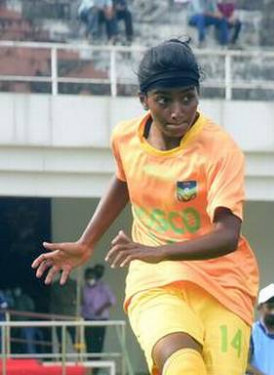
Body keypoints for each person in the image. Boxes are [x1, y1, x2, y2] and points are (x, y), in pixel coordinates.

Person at [31, 38, 259, 375]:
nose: (177, 111)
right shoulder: (125, 138)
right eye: (164, 100)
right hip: (155, 281)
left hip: (225, 283)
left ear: (198, 94)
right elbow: (125, 180)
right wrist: (86, 243)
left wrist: (161, 251)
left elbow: (227, 235)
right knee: (184, 365)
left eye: (188, 98)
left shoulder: (220, 149)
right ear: (144, 100)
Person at [81, 266, 116, 369]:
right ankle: (91, 366)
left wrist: (101, 308)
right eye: (88, 277)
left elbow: (112, 300)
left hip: (101, 319)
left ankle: (96, 367)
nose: (90, 280)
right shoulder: (83, 288)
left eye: (91, 277)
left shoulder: (103, 287)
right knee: (89, 342)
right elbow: (82, 303)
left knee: (98, 343)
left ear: (96, 278)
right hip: (88, 318)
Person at [49, 276, 78, 350]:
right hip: (59, 315)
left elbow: (80, 298)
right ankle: (61, 356)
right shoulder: (55, 285)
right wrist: (53, 314)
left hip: (71, 315)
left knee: (75, 338)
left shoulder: (74, 284)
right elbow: (52, 301)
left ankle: (79, 356)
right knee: (60, 340)